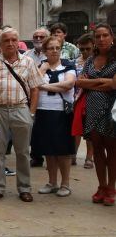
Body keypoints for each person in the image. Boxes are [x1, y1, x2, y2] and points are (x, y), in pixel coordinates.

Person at [0, 28, 44, 202]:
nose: (10, 43)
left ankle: (24, 188)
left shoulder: (28, 62)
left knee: (23, 152)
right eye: (6, 40)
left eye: (13, 40)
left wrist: (31, 113)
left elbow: (35, 89)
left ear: (18, 42)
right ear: (0, 44)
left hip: (21, 110)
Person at [75, 23, 116, 206]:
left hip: (112, 111)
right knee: (97, 149)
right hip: (92, 109)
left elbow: (114, 85)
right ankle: (101, 186)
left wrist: (92, 82)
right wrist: (103, 82)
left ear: (112, 37)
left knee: (112, 151)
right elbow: (79, 82)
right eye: (98, 36)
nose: (101, 39)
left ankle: (111, 188)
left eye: (105, 35)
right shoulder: (91, 59)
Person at [32, 36, 77, 197]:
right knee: (48, 150)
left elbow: (68, 84)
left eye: (57, 48)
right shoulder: (41, 66)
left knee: (63, 150)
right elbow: (33, 83)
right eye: (51, 48)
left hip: (62, 112)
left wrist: (44, 86)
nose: (54, 51)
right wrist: (43, 70)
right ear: (45, 51)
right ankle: (52, 182)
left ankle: (65, 184)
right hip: (43, 111)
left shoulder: (68, 65)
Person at [75, 33, 96, 168]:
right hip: (76, 98)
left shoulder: (98, 62)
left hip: (93, 97)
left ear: (93, 46)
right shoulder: (75, 62)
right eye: (82, 49)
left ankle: (89, 157)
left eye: (88, 48)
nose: (85, 51)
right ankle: (73, 154)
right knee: (76, 128)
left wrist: (85, 83)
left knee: (90, 128)